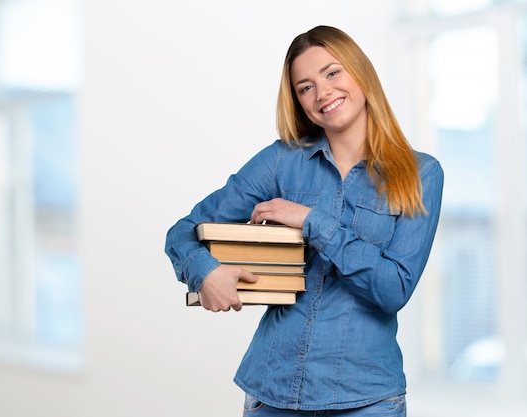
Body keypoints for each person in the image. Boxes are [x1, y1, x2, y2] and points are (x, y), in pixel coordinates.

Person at [165, 25, 443, 416]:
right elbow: (183, 232)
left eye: (333, 73)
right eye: (305, 87)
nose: (323, 92)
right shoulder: (281, 161)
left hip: (367, 399)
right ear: (297, 101)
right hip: (273, 392)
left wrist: (313, 221)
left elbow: (393, 288)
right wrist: (204, 271)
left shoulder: (420, 174)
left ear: (360, 73)